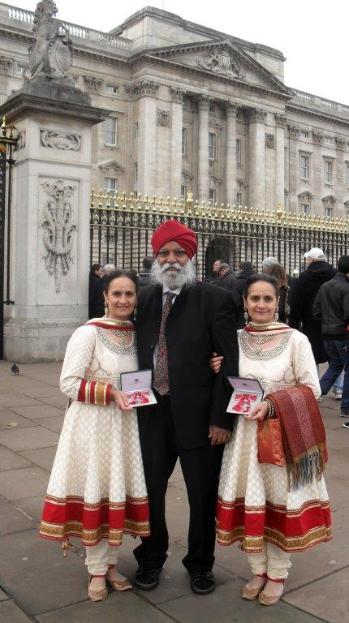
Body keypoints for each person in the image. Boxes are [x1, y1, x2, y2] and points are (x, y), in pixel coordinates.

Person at [133, 220, 239, 595]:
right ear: (156, 257)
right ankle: (150, 557)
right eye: (164, 253)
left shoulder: (214, 299)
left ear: (191, 257)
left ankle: (199, 564)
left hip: (198, 416)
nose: (171, 260)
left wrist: (222, 418)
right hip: (154, 412)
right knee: (150, 491)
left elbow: (229, 363)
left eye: (179, 253)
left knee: (201, 494)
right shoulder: (144, 298)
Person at [214, 274, 331, 605]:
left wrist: (272, 404)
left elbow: (312, 388)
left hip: (282, 438)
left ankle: (277, 573)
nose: (261, 305)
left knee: (280, 505)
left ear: (278, 303)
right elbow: (227, 382)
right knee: (253, 504)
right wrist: (218, 367)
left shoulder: (296, 340)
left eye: (268, 299)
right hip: (245, 439)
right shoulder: (233, 339)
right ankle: (258, 569)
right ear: (245, 303)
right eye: (255, 299)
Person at [40, 270, 150, 602]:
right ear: (104, 296)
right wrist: (109, 393)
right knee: (95, 493)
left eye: (129, 294)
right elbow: (68, 382)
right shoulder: (88, 333)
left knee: (115, 494)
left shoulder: (137, 332)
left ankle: (111, 565)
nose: (123, 300)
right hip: (93, 424)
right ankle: (96, 569)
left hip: (126, 429)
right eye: (116, 294)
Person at [313, 255, 349, 425]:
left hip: (326, 333)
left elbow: (316, 311)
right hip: (342, 334)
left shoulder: (324, 286)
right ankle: (346, 407)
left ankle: (315, 395)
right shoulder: (346, 287)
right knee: (347, 367)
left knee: (335, 366)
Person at [289, 247, 335, 365]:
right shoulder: (334, 274)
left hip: (310, 320)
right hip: (333, 318)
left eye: (308, 259)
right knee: (335, 356)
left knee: (312, 354)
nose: (306, 261)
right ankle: (336, 383)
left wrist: (294, 323)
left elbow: (296, 301)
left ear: (311, 259)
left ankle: (315, 381)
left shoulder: (304, 277)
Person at [231, 261, 255, 329]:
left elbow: (235, 301)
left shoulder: (239, 282)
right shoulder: (257, 280)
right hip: (256, 313)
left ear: (241, 269)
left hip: (242, 315)